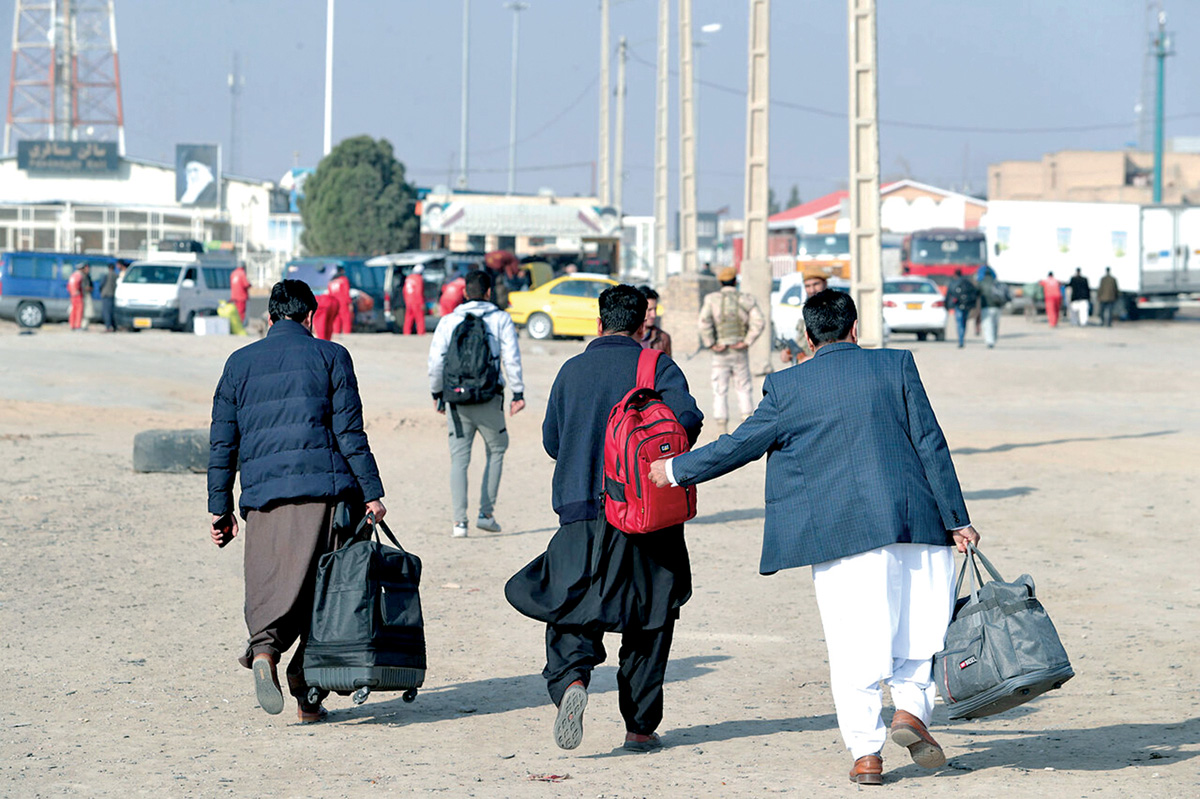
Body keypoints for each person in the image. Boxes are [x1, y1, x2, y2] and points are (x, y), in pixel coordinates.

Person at [647, 290, 980, 786]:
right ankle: (911, 712)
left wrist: (675, 470)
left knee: (853, 645)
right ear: (855, 328)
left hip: (842, 535)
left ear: (807, 337)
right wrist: (956, 519)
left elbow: (740, 445)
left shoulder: (788, 385)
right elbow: (931, 441)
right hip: (918, 524)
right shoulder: (896, 365)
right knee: (917, 635)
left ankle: (867, 755)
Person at [505, 284, 702, 754]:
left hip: (581, 511)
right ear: (642, 325)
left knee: (571, 608)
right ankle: (639, 727)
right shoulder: (657, 366)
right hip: (645, 513)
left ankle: (572, 680)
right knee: (650, 618)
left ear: (598, 324)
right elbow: (686, 423)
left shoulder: (571, 370)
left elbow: (553, 441)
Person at [208, 279, 386, 723]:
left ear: (270, 317)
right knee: (326, 594)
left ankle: (264, 651)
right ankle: (307, 696)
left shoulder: (238, 363)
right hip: (326, 496)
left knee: (271, 582)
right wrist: (372, 493)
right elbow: (350, 433)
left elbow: (223, 442)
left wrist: (220, 508)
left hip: (263, 498)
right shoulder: (332, 356)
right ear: (310, 316)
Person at [428, 270, 525, 538]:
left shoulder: (449, 320)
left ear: (464, 293)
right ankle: (486, 514)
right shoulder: (501, 319)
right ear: (489, 292)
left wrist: (437, 393)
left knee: (459, 459)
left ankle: (459, 523)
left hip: (456, 400)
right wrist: (518, 393)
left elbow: (436, 361)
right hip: (489, 397)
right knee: (497, 449)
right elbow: (511, 358)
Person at [698, 267, 765, 434]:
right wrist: (747, 341)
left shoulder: (712, 299)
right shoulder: (746, 299)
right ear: (735, 281)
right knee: (743, 387)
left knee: (719, 390)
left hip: (720, 352)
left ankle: (721, 430)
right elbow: (759, 321)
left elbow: (703, 322)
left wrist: (711, 343)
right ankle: (747, 427)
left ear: (720, 282)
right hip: (739, 350)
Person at [780, 270, 828, 364]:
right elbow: (801, 340)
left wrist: (812, 359)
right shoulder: (807, 309)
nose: (812, 290)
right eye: (807, 286)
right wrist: (788, 353)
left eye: (816, 284)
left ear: (825, 284)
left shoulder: (834, 309)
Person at [945, 269, 979, 349]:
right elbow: (975, 292)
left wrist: (947, 305)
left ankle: (960, 340)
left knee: (959, 322)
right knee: (964, 322)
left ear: (955, 275)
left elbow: (949, 294)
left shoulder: (953, 283)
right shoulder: (967, 283)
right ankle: (962, 337)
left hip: (958, 305)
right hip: (967, 305)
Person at [977, 266, 1009, 349]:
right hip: (997, 306)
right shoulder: (996, 283)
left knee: (987, 324)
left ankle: (990, 341)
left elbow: (976, 293)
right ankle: (994, 339)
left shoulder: (981, 283)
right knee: (995, 324)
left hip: (986, 306)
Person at [638, 285, 672, 355]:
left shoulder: (663, 338)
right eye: (649, 310)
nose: (654, 315)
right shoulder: (627, 336)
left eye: (655, 309)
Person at [327, 266, 353, 335]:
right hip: (342, 301)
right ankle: (347, 333)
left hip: (334, 301)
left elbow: (329, 293)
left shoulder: (331, 281)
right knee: (346, 318)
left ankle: (336, 333)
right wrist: (349, 303)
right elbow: (346, 292)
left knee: (336, 319)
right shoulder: (344, 279)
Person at [403, 264, 427, 335]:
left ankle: (406, 332)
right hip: (416, 301)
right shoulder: (418, 279)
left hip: (408, 300)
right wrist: (422, 303)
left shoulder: (408, 278)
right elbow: (418, 292)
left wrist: (406, 300)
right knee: (419, 317)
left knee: (408, 317)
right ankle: (421, 332)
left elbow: (404, 290)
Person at [67, 263, 88, 330]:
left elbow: (68, 286)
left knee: (73, 310)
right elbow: (80, 285)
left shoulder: (73, 275)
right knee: (79, 311)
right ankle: (78, 326)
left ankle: (72, 325)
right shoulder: (80, 276)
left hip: (72, 296)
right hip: (78, 296)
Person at [100, 263, 120, 332]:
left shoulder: (106, 275)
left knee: (106, 312)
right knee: (112, 311)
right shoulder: (116, 275)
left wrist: (101, 291)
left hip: (106, 295)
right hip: (113, 295)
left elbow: (101, 284)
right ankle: (114, 326)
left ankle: (108, 327)